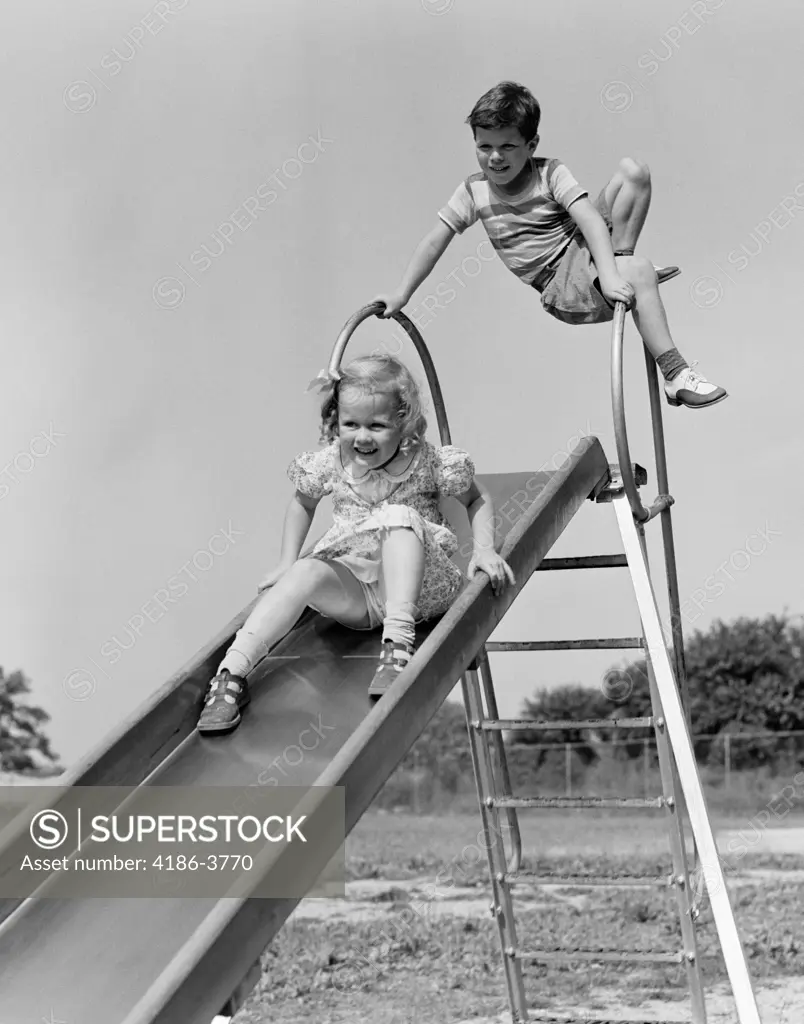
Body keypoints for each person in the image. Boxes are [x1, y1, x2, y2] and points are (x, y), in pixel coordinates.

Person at [197, 353, 515, 734]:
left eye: (377, 425)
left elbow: (476, 499)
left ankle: (397, 646)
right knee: (305, 571)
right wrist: (286, 561)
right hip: (360, 599)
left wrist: (483, 549)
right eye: (351, 424)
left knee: (399, 516)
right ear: (336, 422)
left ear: (404, 421)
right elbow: (302, 502)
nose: (362, 436)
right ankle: (232, 673)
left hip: (421, 590)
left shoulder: (426, 460)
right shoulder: (332, 462)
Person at [374, 80, 727, 410]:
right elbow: (435, 241)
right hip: (560, 282)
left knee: (633, 171)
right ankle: (675, 372)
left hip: (581, 246)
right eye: (485, 147)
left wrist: (606, 272)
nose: (495, 157)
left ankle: (619, 268)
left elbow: (588, 217)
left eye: (507, 146)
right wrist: (402, 294)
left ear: (531, 146)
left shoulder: (550, 173)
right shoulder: (474, 192)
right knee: (639, 270)